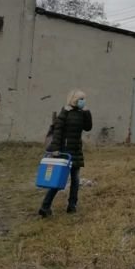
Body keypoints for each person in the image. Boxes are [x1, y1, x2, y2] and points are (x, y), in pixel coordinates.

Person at [38, 89, 92, 217]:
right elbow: (57, 132)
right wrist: (55, 149)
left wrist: (87, 112)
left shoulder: (82, 113)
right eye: (80, 99)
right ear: (74, 100)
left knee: (75, 179)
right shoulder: (65, 112)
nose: (83, 101)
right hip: (64, 151)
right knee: (58, 179)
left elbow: (88, 127)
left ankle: (72, 206)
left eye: (84, 99)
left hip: (76, 150)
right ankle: (45, 207)